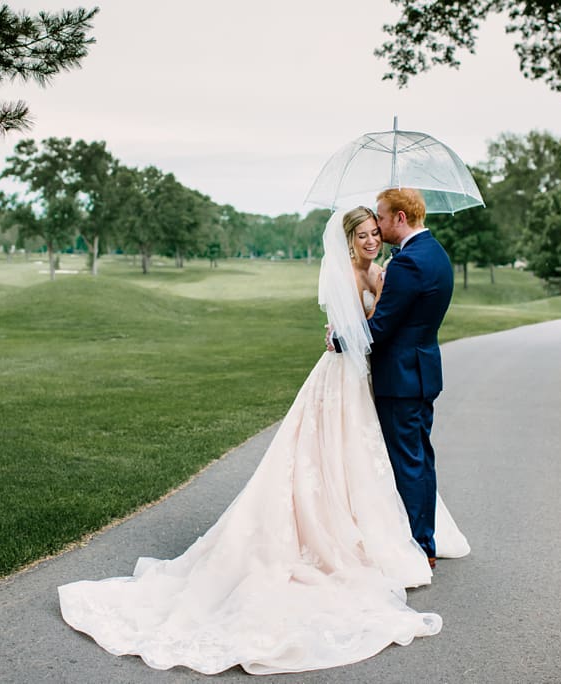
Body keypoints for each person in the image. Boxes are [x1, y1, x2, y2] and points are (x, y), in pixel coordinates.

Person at [57, 207, 468, 675]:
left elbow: (386, 314)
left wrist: (382, 285)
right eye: (364, 235)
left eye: (377, 232)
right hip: (342, 374)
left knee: (363, 458)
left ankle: (379, 528)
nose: (373, 240)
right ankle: (340, 531)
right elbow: (358, 329)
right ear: (348, 239)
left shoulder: (381, 271)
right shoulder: (346, 274)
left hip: (364, 375)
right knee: (333, 453)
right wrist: (341, 334)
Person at [368, 188, 454, 568]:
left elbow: (381, 326)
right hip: (421, 371)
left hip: (400, 377)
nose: (378, 224)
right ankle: (424, 540)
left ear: (400, 218)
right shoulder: (434, 253)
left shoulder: (408, 264)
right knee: (420, 459)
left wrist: (339, 339)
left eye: (382, 217)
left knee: (407, 462)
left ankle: (419, 546)